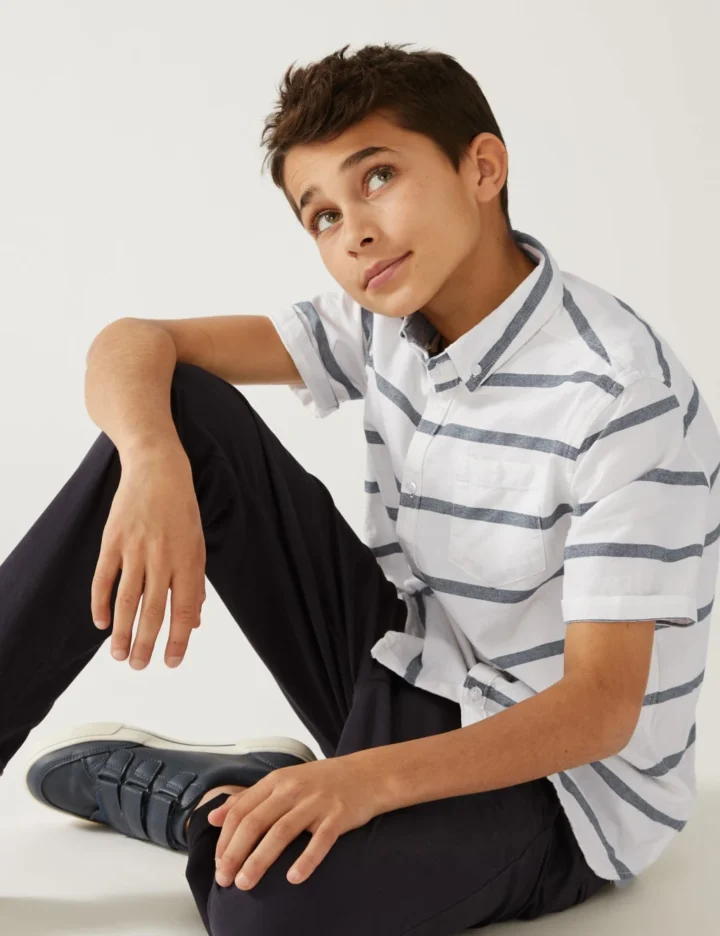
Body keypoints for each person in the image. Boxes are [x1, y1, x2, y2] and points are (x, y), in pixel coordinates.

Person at [3, 41, 719, 936]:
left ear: (482, 169)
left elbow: (600, 709)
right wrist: (152, 461)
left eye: (378, 177)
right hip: (409, 673)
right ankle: (264, 796)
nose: (355, 234)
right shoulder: (389, 319)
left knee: (260, 911)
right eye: (323, 216)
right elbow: (134, 341)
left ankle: (212, 800)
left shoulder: (622, 392)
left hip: (559, 790)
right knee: (176, 407)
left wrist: (359, 781)